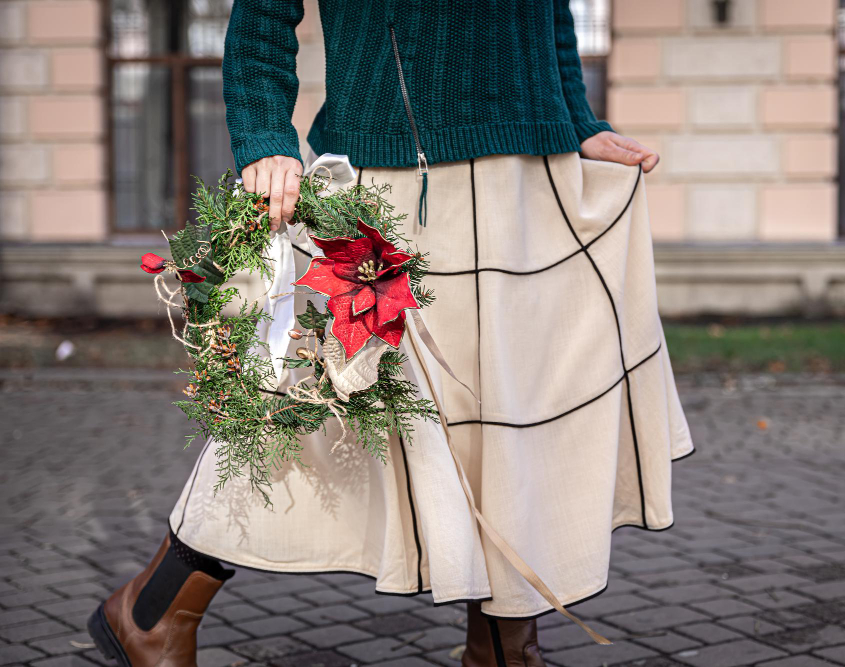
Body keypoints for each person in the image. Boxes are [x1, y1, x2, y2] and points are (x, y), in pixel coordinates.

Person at [87, 2, 694, 666]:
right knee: (312, 408)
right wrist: (265, 139)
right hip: (396, 180)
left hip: (533, 175)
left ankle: (503, 645)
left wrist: (578, 123)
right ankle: (154, 607)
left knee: (513, 421)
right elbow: (261, 16)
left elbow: (548, 13)